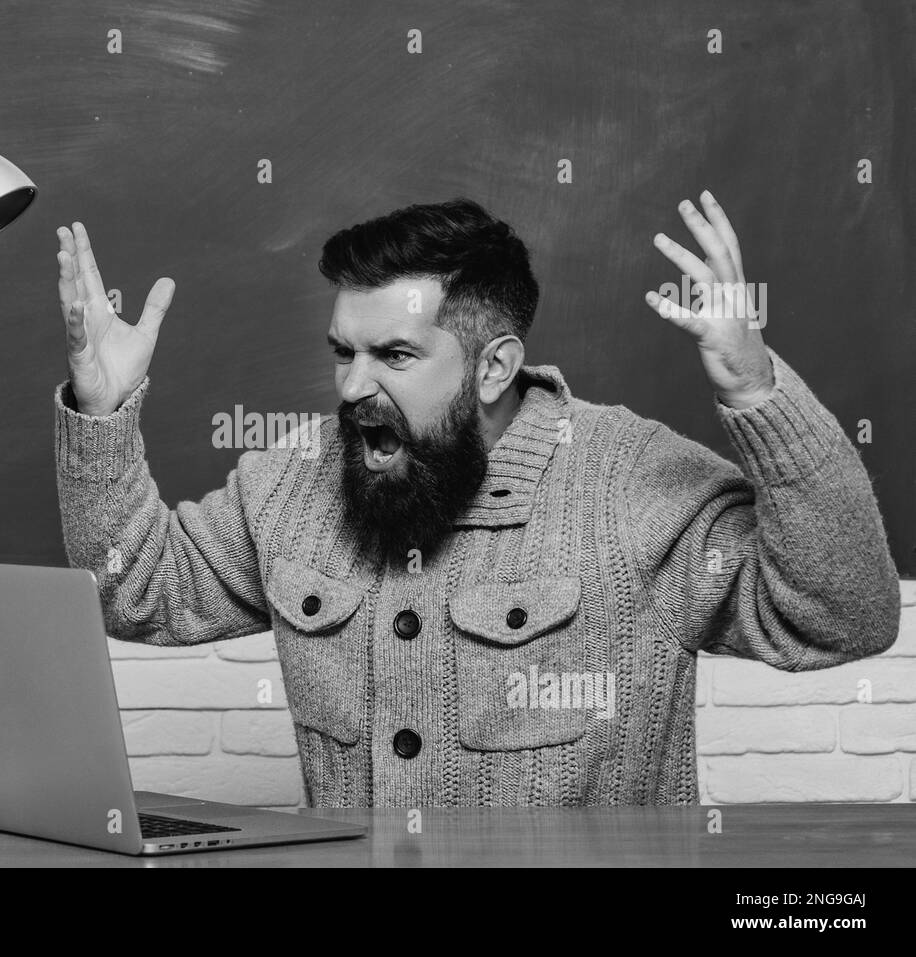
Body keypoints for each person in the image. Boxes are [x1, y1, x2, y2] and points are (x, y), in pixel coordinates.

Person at [51, 193, 899, 806]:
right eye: (342, 351)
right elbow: (134, 589)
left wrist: (758, 391)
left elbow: (842, 614)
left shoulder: (634, 480)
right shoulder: (292, 481)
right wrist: (102, 411)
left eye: (393, 355)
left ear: (493, 366)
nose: (352, 386)